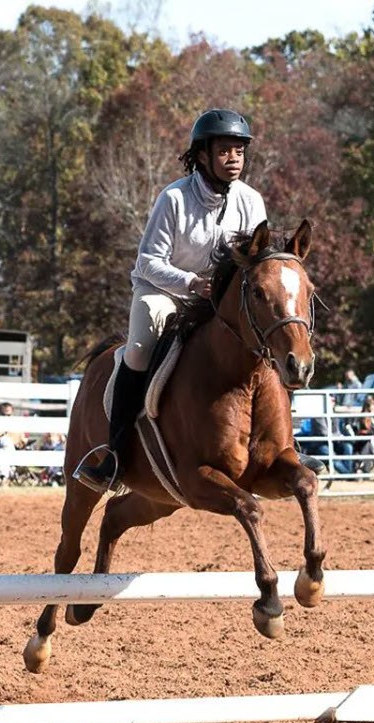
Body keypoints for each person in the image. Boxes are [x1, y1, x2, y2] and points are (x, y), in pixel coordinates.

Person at [78, 107, 298, 490]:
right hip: (163, 292)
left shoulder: (250, 200)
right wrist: (192, 283)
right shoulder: (174, 199)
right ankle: (114, 454)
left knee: (267, 344)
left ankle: (283, 446)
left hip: (219, 301)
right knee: (140, 350)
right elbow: (147, 261)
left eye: (240, 152)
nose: (234, 159)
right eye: (225, 151)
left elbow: (254, 261)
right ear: (201, 155)